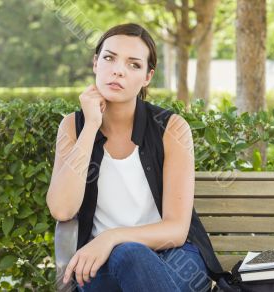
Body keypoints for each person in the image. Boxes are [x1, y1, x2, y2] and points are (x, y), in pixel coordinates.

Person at [46, 23, 225, 292]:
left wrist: (112, 238)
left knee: (131, 254)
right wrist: (91, 126)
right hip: (100, 264)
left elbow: (176, 230)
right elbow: (62, 209)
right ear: (96, 63)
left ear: (147, 77)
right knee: (127, 256)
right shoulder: (73, 126)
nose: (118, 69)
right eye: (109, 58)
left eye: (133, 64)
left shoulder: (171, 128)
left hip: (174, 258)